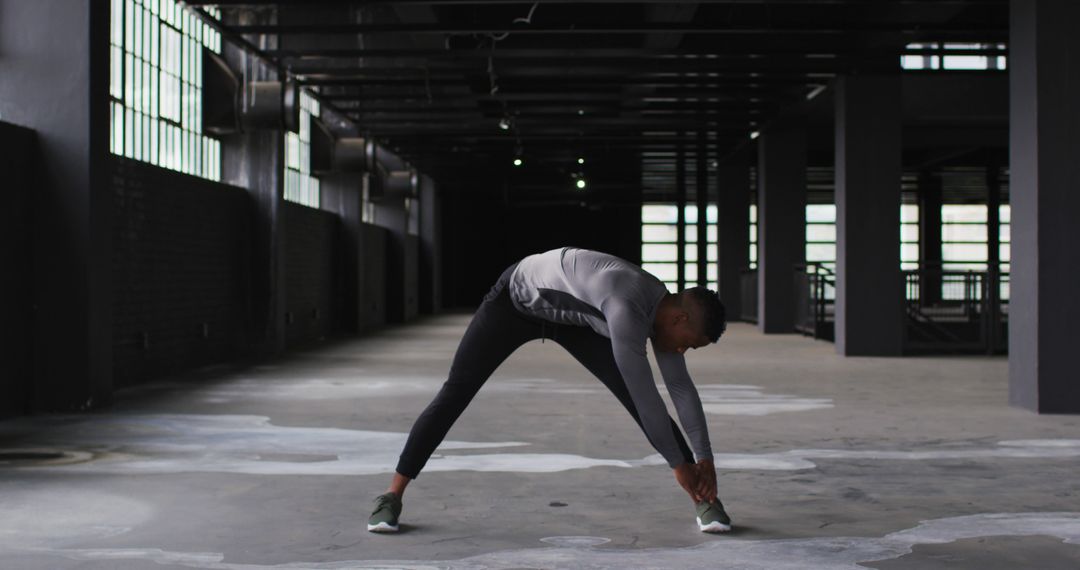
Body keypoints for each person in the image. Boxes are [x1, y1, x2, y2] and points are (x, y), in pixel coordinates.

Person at [367, 247, 731, 533]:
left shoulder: (662, 306)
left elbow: (680, 388)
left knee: (636, 401)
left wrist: (704, 457)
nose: (682, 351)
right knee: (456, 391)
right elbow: (648, 399)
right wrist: (678, 464)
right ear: (679, 319)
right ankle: (391, 495)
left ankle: (704, 499)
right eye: (689, 343)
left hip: (575, 320)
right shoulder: (625, 310)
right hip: (515, 302)